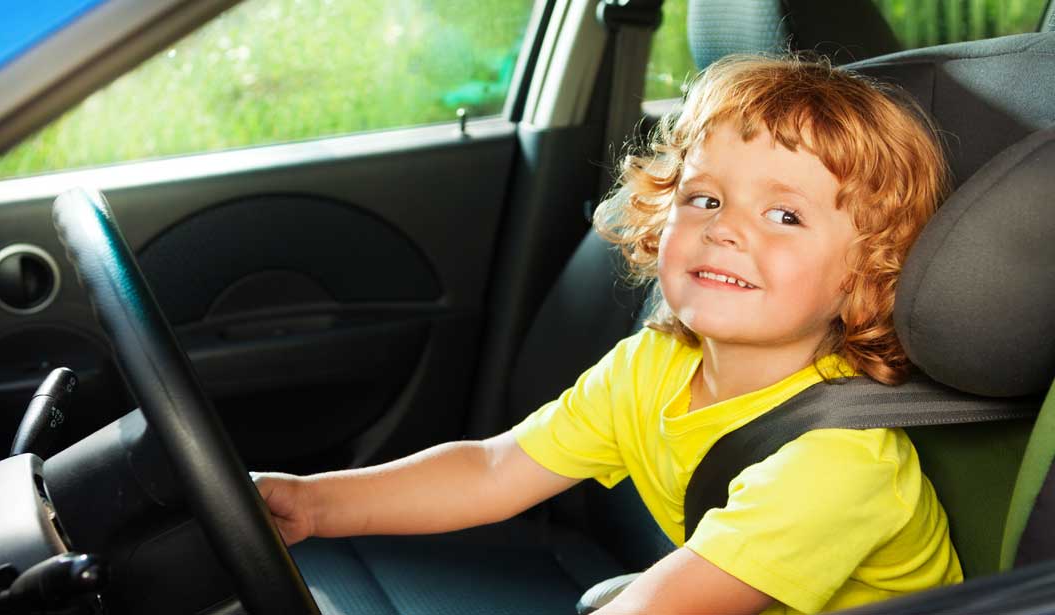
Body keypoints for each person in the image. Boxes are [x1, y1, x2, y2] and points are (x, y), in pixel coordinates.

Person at [253, 54, 959, 615]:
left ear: (865, 276)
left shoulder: (839, 462)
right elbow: (495, 469)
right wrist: (316, 504)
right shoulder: (655, 363)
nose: (726, 227)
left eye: (786, 216)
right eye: (705, 198)